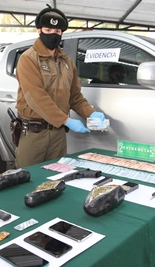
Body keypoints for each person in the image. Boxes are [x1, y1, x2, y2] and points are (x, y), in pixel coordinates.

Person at [15, 4, 105, 168]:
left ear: (61, 33)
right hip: (35, 133)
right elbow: (36, 97)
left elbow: (75, 97)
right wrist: (66, 120)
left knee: (55, 179)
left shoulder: (67, 63)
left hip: (58, 134)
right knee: (28, 179)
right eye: (48, 30)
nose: (53, 35)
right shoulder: (28, 59)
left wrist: (91, 114)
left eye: (57, 32)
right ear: (39, 30)